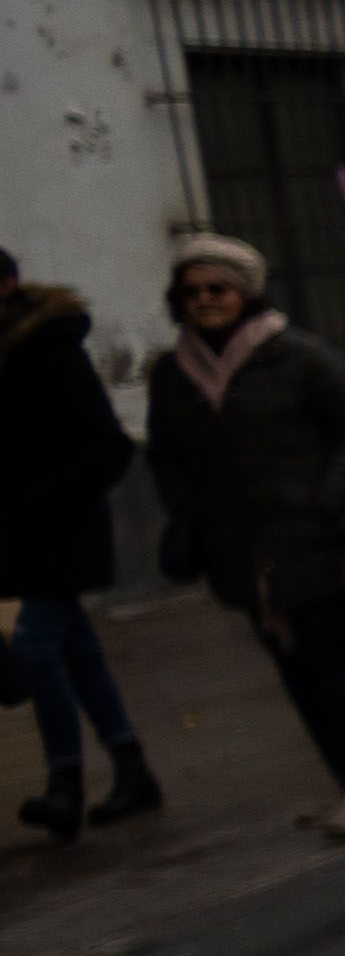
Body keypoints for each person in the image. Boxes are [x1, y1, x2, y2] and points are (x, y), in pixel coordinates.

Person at [145, 233, 345, 840]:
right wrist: (190, 517)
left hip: (315, 544)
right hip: (239, 556)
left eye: (218, 289)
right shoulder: (172, 375)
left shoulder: (299, 356)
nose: (205, 300)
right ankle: (343, 784)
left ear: (246, 294)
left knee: (332, 666)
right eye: (193, 291)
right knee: (294, 673)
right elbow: (167, 458)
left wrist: (323, 503)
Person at [0, 248, 155, 840]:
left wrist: (50, 502)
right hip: (22, 536)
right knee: (77, 652)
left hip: (59, 533)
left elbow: (109, 448)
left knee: (36, 650)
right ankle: (132, 768)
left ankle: (64, 784)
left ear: (8, 284)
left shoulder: (50, 351)